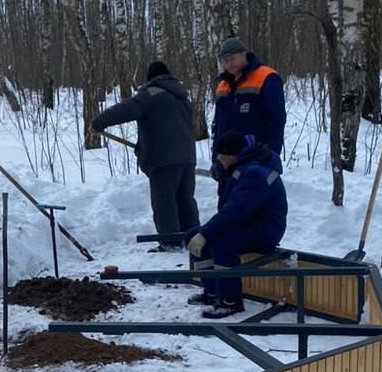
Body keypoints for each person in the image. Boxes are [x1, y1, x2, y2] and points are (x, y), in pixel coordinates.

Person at [89, 61, 198, 251]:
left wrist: (98, 123)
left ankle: (171, 242)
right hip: (187, 156)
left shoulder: (151, 95)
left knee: (164, 201)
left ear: (150, 78)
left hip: (164, 158)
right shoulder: (182, 96)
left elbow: (124, 110)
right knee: (185, 199)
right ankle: (194, 239)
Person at [185, 130, 287, 320]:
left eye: (223, 158)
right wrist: (204, 232)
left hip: (265, 230)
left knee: (221, 240)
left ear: (235, 156)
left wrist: (207, 232)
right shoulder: (240, 168)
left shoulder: (255, 173)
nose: (220, 162)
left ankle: (230, 300)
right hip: (245, 225)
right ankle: (213, 291)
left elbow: (236, 209)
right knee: (193, 235)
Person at [213, 38, 286, 159]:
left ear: (243, 54)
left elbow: (276, 120)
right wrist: (216, 158)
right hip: (227, 160)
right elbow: (217, 125)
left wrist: (271, 155)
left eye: (232, 58)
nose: (229, 64)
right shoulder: (223, 85)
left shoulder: (266, 77)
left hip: (256, 156)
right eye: (225, 61)